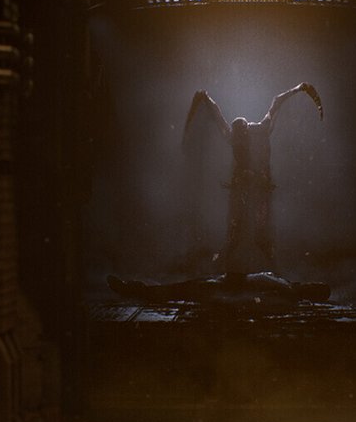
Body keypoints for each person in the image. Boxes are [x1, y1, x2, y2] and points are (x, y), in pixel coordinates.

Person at [106, 82, 329, 305]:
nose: (237, 143)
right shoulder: (234, 136)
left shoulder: (260, 129)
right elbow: (225, 113)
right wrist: (206, 98)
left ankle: (141, 290)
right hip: (233, 277)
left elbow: (276, 102)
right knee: (230, 246)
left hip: (233, 277)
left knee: (240, 249)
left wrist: (300, 89)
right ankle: (141, 290)